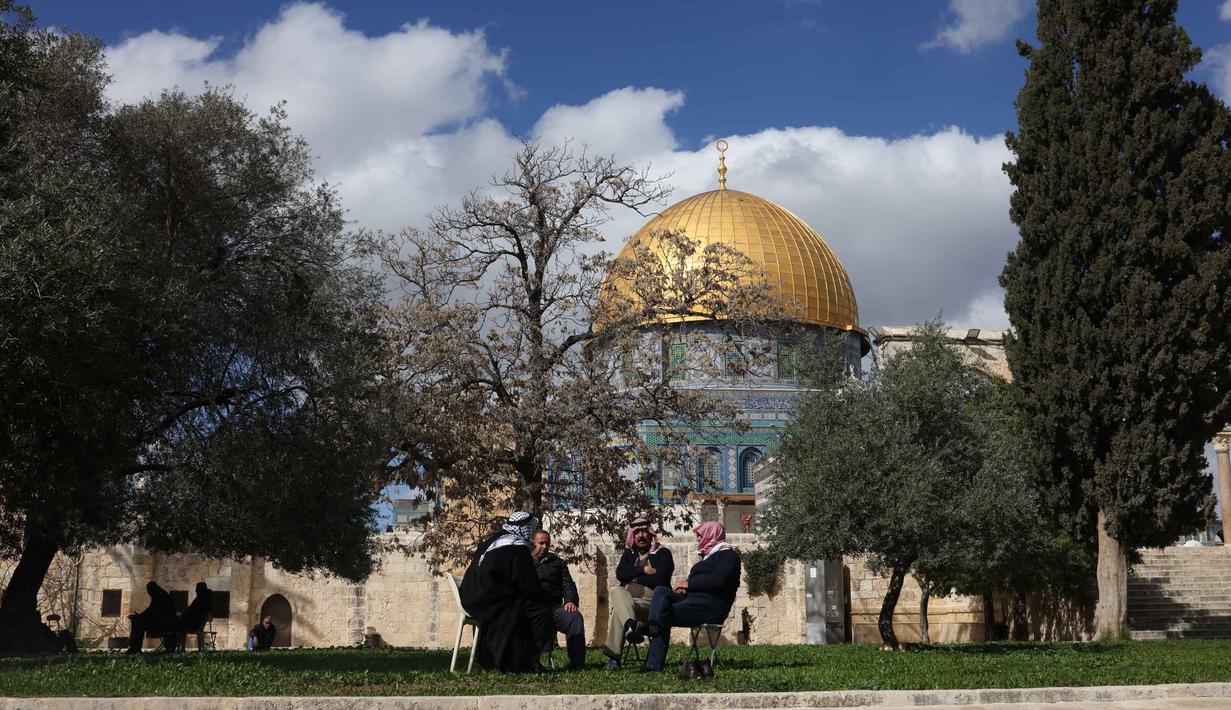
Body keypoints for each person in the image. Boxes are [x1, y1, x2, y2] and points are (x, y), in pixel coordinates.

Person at [459, 511, 556, 672]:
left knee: (522, 606)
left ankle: (515, 660)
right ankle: (529, 661)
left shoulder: (495, 540)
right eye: (531, 530)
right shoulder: (516, 548)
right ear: (525, 528)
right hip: (489, 601)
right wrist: (547, 598)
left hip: (473, 597)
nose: (531, 534)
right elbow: (529, 585)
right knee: (540, 611)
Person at [640, 521, 740, 673]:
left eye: (700, 535)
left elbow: (718, 582)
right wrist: (685, 591)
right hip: (692, 601)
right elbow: (700, 585)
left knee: (664, 614)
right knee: (661, 591)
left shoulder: (728, 556)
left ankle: (653, 662)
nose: (698, 539)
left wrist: (689, 584)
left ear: (711, 535)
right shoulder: (707, 557)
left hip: (711, 607)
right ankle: (653, 625)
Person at [602, 517, 674, 669]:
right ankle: (632, 625)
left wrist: (633, 576)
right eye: (637, 533)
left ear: (650, 534)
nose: (641, 536)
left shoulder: (662, 554)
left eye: (644, 532)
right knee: (618, 590)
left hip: (651, 605)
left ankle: (614, 657)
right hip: (630, 603)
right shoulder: (629, 555)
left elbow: (659, 579)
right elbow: (621, 575)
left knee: (619, 612)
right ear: (632, 536)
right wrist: (643, 570)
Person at [530, 530, 585, 669]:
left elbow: (568, 584)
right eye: (541, 543)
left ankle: (577, 664)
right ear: (532, 543)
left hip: (554, 608)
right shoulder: (524, 562)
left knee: (574, 617)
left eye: (547, 544)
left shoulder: (557, 562)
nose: (544, 547)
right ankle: (530, 662)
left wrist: (570, 600)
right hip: (532, 609)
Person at [125, 582, 177, 654]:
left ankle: (134, 647)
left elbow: (153, 612)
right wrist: (140, 616)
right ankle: (134, 647)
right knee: (137, 621)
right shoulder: (160, 595)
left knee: (137, 623)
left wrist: (139, 617)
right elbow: (151, 611)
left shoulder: (159, 596)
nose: (148, 593)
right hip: (164, 622)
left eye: (149, 591)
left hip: (164, 625)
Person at [169, 582, 214, 652]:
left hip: (194, 624)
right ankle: (177, 647)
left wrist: (183, 615)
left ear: (200, 590)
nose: (195, 590)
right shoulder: (206, 600)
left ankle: (173, 647)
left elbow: (192, 610)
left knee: (175, 626)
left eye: (197, 589)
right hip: (197, 624)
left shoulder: (200, 600)